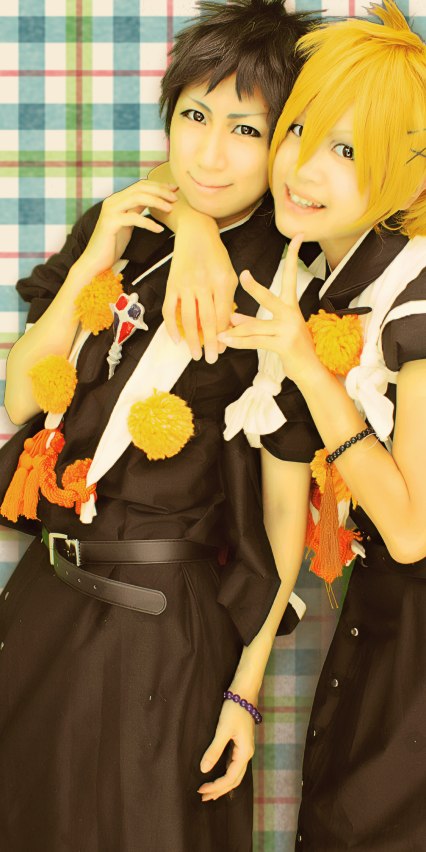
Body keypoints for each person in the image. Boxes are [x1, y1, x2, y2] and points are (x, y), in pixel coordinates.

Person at [0, 2, 319, 851]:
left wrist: (246, 690)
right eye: (195, 117)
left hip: (163, 626)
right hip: (44, 596)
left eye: (246, 130)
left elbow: (284, 517)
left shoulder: (286, 285)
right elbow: (22, 398)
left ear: (284, 143)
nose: (210, 154)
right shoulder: (124, 223)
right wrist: (103, 248)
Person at [210, 2, 425, 848]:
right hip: (375, 627)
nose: (303, 166)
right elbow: (283, 526)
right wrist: (244, 689)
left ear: (407, 179)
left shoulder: (417, 293)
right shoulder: (304, 293)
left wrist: (307, 366)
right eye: (299, 130)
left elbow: (410, 529)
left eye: (347, 150)